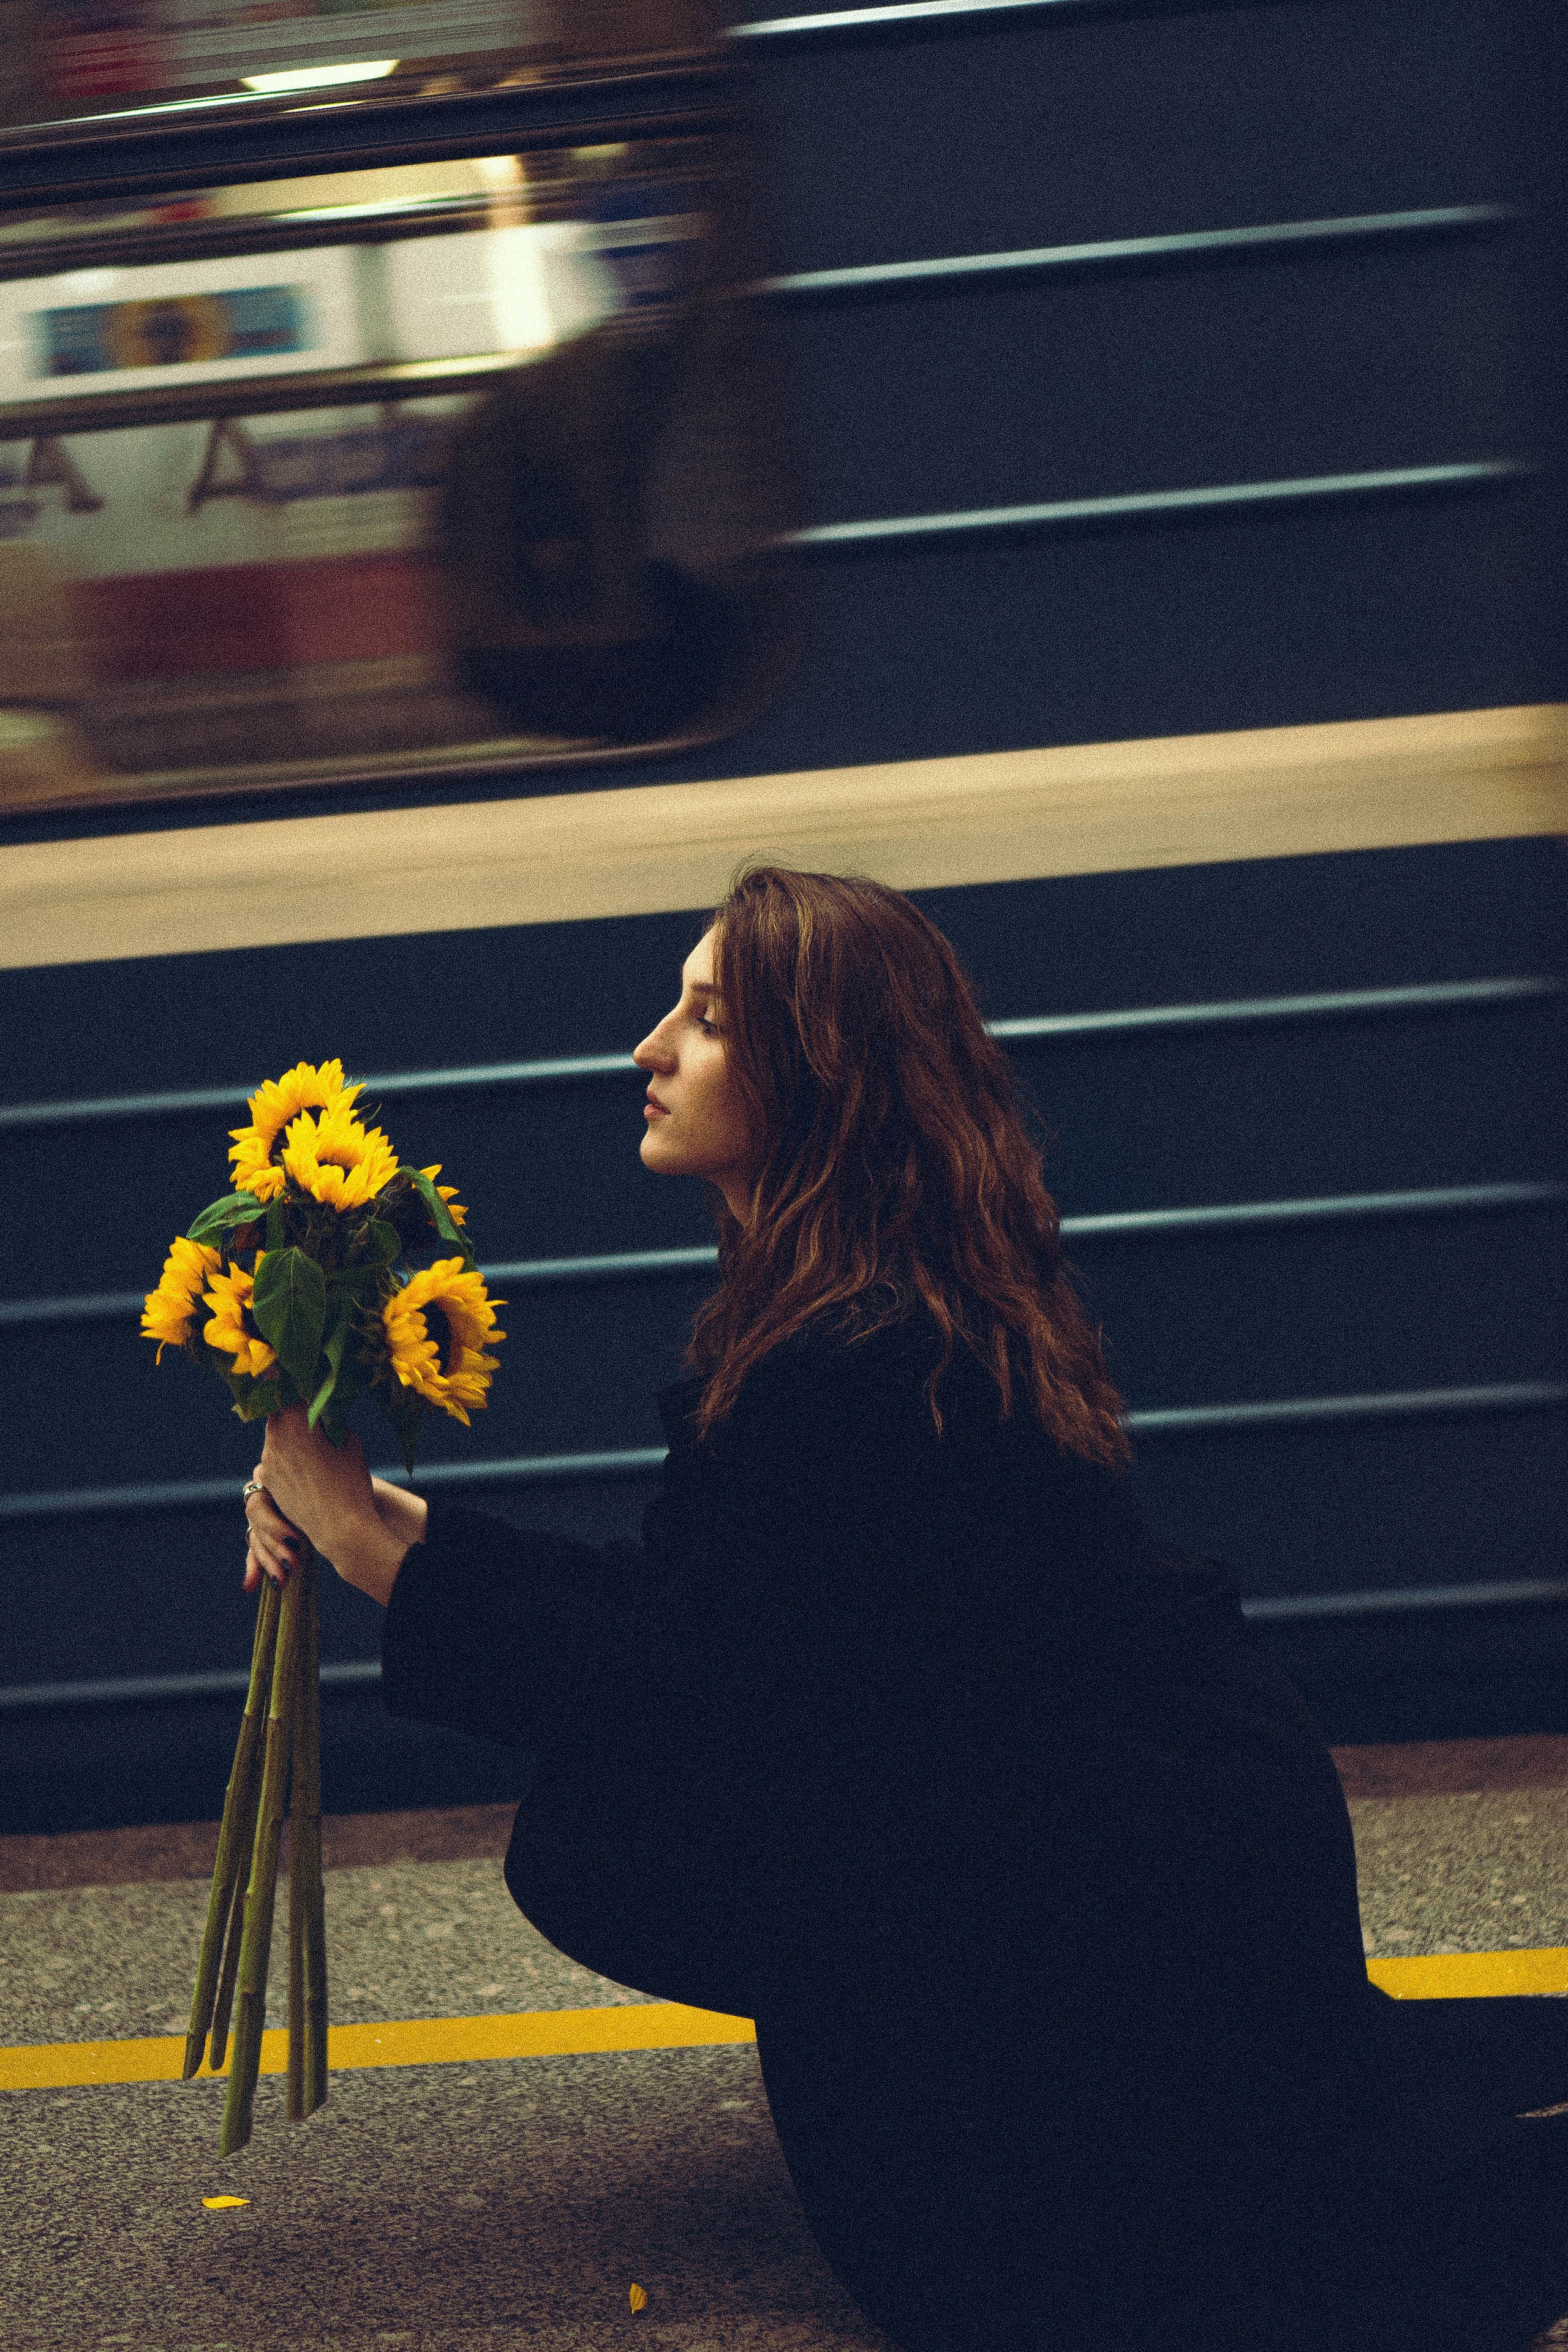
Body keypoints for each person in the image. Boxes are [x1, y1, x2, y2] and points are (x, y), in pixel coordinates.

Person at [244, 864, 1568, 2352]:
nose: (647, 1049)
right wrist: (381, 1518)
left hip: (1136, 1894)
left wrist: (366, 1540)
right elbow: (723, 1616)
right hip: (1150, 1840)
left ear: (823, 1073)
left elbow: (677, 1679)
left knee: (629, 1837)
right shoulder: (864, 1298)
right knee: (615, 1813)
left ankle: (1027, 2081)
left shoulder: (860, 1354)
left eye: (705, 1018)